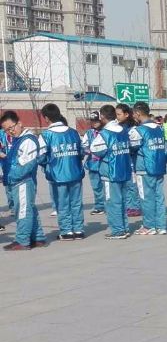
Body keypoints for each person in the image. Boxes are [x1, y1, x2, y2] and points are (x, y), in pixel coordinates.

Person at [38, 104, 85, 241]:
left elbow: (40, 156)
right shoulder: (74, 132)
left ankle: (66, 231)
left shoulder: (46, 135)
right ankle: (78, 229)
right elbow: (82, 152)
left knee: (62, 203)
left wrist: (47, 164)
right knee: (76, 202)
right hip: (75, 173)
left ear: (46, 118)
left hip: (57, 175)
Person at [1, 111, 47, 249]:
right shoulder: (18, 140)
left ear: (19, 123)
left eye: (11, 127)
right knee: (29, 208)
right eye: (6, 130)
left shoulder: (28, 140)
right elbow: (14, 161)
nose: (10, 131)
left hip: (23, 181)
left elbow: (26, 165)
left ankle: (22, 240)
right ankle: (38, 237)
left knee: (23, 211)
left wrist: (11, 176)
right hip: (18, 181)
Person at [88, 104, 134, 240]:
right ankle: (124, 227)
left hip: (110, 171)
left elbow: (94, 149)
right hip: (124, 169)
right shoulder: (123, 130)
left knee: (112, 201)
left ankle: (118, 230)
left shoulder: (105, 133)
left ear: (102, 116)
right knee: (122, 201)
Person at [128, 102, 167, 235]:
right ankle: (161, 225)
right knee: (159, 197)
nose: (133, 116)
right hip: (159, 166)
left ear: (138, 113)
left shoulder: (138, 130)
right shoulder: (159, 128)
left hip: (144, 167)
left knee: (146, 197)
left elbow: (131, 146)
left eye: (134, 114)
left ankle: (149, 225)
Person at [118, 104, 143, 220]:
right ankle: (129, 206)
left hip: (131, 159)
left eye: (119, 114)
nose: (117, 117)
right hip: (122, 160)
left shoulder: (133, 128)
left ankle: (135, 207)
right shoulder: (118, 127)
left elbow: (134, 145)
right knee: (126, 184)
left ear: (126, 114)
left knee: (132, 184)